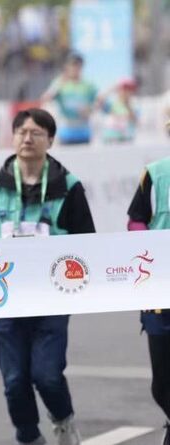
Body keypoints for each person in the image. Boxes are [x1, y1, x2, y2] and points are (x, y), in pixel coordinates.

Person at [0, 108, 95, 445]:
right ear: (12, 138)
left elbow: (87, 240)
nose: (27, 138)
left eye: (36, 133)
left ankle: (64, 421)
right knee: (14, 379)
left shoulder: (69, 187)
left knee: (47, 375)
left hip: (52, 295)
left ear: (50, 141)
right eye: (21, 132)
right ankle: (27, 435)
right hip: (7, 295)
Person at [126, 140, 170, 445]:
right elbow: (136, 220)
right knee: (162, 384)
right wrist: (152, 247)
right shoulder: (156, 173)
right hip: (162, 292)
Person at [40, 53, 97, 145]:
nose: (75, 68)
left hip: (84, 132)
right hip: (66, 132)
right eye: (72, 65)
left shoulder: (88, 85)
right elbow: (45, 99)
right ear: (67, 66)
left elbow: (99, 102)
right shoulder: (59, 83)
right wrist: (58, 84)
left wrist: (90, 109)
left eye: (78, 65)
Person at [97, 78, 138, 143]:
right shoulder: (112, 104)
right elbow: (100, 100)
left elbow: (135, 121)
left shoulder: (134, 105)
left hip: (126, 141)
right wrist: (112, 89)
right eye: (124, 89)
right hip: (110, 140)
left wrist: (128, 106)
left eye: (129, 89)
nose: (126, 92)